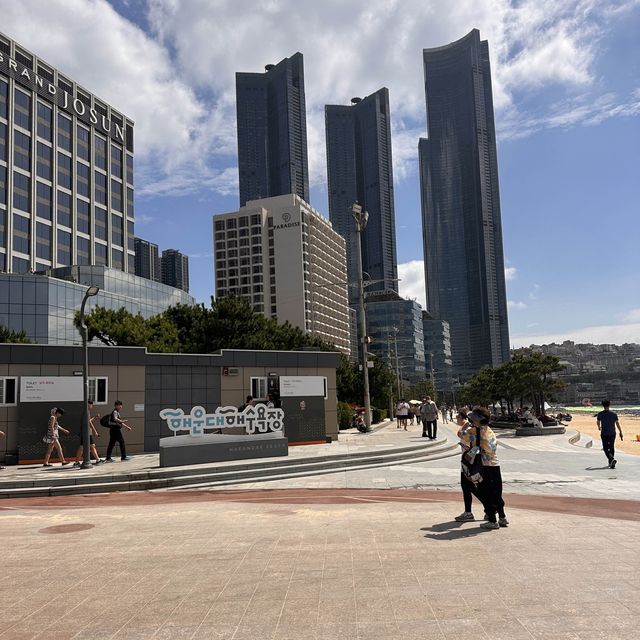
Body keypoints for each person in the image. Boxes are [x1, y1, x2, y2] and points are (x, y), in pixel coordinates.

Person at [462, 406, 508, 530]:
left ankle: (492, 520)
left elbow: (462, 436)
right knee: (497, 492)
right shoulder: (490, 431)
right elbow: (492, 447)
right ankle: (502, 517)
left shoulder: (473, 431)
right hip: (494, 464)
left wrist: (465, 427)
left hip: (483, 466)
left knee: (485, 492)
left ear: (478, 420)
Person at [73, 400, 102, 467]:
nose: (91, 406)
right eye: (91, 404)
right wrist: (95, 431)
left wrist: (94, 418)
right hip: (87, 433)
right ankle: (98, 460)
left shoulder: (85, 412)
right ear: (88, 404)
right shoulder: (86, 412)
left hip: (85, 432)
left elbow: (88, 421)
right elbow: (89, 422)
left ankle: (77, 462)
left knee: (83, 447)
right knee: (90, 446)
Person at [596, 399, 624, 469]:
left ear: (602, 405)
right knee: (611, 447)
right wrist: (620, 431)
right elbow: (617, 423)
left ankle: (611, 459)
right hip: (612, 433)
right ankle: (611, 462)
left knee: (605, 448)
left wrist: (599, 427)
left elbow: (598, 422)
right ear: (609, 404)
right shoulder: (614, 414)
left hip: (604, 433)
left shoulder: (600, 414)